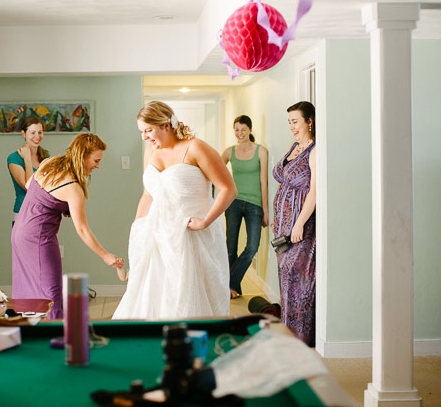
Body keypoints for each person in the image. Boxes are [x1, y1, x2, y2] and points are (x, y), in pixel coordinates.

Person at [112, 101, 237, 320]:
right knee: (153, 297)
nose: (144, 137)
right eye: (141, 132)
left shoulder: (196, 147)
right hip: (158, 235)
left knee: (190, 298)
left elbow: (228, 189)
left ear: (165, 125)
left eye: (148, 130)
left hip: (193, 234)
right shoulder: (150, 152)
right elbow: (148, 195)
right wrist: (138, 230)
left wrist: (205, 221)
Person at [11, 133, 126, 319]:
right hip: (39, 238)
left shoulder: (50, 162)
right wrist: (105, 255)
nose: (98, 165)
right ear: (83, 156)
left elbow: (29, 183)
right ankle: (56, 335)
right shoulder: (73, 187)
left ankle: (30, 332)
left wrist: (54, 204)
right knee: (51, 294)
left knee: (30, 292)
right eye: (96, 160)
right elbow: (82, 229)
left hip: (20, 232)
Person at [271, 101, 316, 346]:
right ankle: (288, 333)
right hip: (282, 226)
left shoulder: (315, 150)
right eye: (289, 122)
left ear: (309, 121)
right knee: (285, 277)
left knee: (300, 279)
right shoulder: (294, 147)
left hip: (300, 226)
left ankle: (301, 337)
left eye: (295, 121)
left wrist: (299, 223)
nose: (291, 126)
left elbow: (314, 192)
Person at [222, 115, 269, 299]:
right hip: (233, 203)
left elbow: (263, 182)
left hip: (254, 205)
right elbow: (214, 169)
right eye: (236, 129)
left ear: (250, 130)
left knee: (252, 247)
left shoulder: (261, 151)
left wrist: (265, 210)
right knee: (231, 247)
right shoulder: (229, 152)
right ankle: (233, 289)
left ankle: (227, 284)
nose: (239, 133)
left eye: (243, 129)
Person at [7, 116, 49, 222]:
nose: (37, 136)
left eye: (40, 132)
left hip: (44, 213)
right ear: (24, 134)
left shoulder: (45, 156)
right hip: (23, 214)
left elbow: (50, 186)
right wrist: (27, 158)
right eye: (32, 133)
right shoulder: (14, 158)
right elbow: (30, 187)